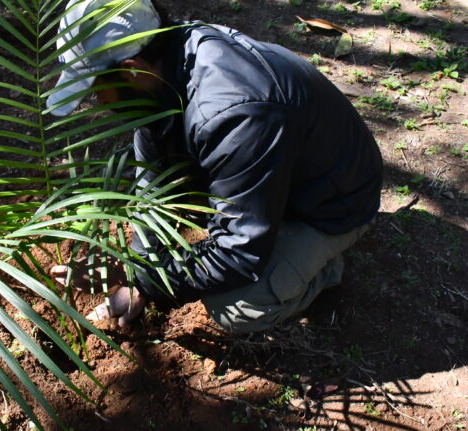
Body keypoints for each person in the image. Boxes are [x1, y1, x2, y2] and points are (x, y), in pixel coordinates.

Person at [47, 0, 383, 333]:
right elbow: (154, 188)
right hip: (277, 171)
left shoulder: (235, 115)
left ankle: (323, 267)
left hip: (331, 202)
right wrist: (138, 273)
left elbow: (239, 254)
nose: (99, 102)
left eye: (96, 88)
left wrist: (142, 280)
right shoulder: (163, 64)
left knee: (237, 308)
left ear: (132, 69)